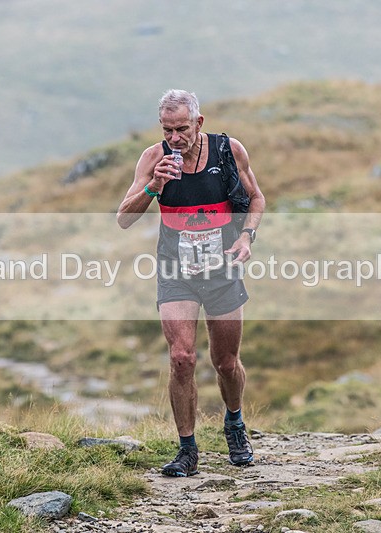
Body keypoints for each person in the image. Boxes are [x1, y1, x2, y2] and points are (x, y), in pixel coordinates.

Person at [117, 89, 265, 477]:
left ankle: (234, 423)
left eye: (182, 129)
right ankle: (187, 450)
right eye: (168, 130)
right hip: (175, 271)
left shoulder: (228, 151)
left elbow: (255, 199)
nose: (175, 138)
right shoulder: (154, 158)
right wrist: (154, 188)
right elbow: (123, 218)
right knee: (181, 357)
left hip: (221, 271)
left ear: (199, 123)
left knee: (226, 362)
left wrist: (246, 237)